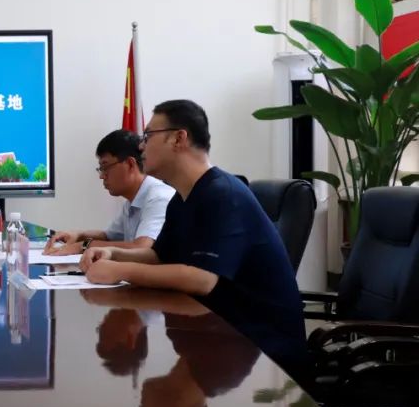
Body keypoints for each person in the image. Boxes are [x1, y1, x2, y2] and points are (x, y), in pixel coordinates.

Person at [79, 100, 307, 377]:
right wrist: (114, 254)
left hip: (262, 352)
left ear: (179, 138)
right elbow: (159, 255)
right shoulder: (182, 198)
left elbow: (202, 279)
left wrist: (120, 271)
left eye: (148, 136)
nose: (140, 146)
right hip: (218, 334)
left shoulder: (223, 194)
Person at [44, 130, 174, 255]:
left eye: (105, 167)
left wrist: (84, 246)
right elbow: (109, 236)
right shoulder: (132, 200)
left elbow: (141, 247)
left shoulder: (158, 198)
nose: (102, 176)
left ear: (130, 164)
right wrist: (78, 235)